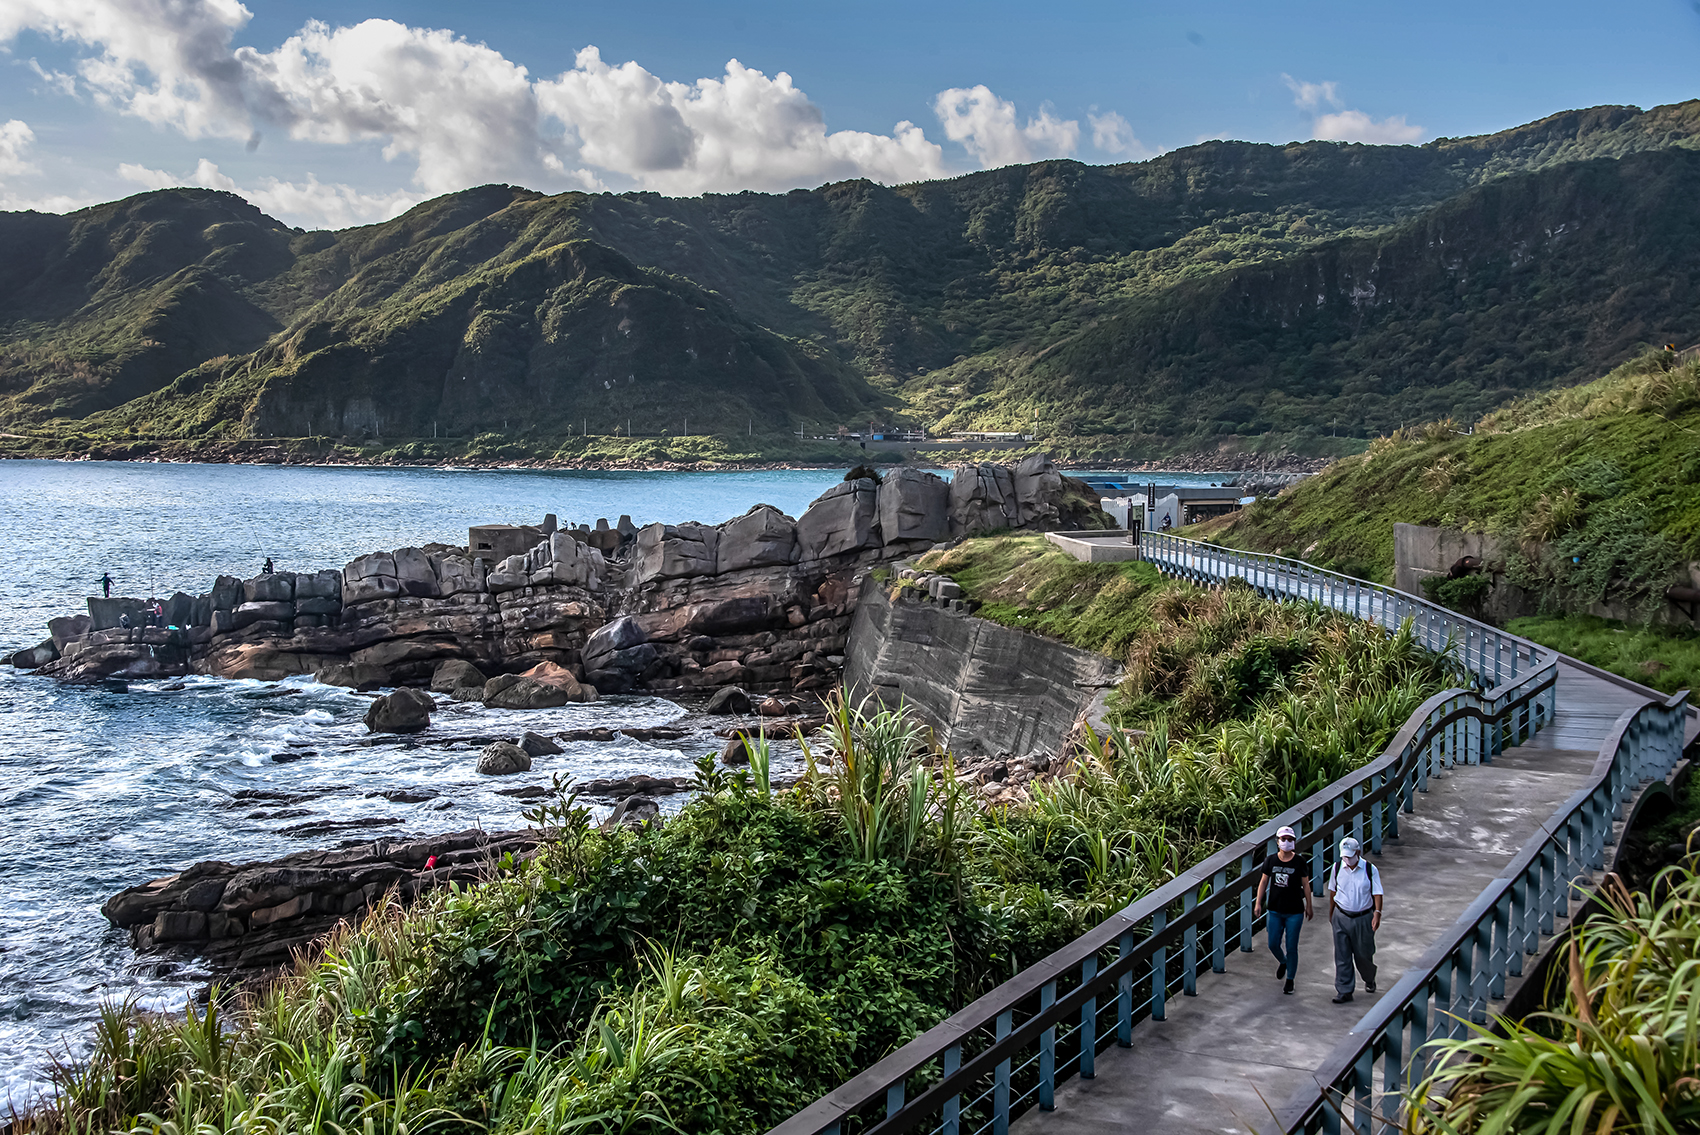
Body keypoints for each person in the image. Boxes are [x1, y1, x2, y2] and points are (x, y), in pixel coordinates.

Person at [1253, 825, 1313, 995]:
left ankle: (1290, 979)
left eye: (1290, 839)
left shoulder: (1299, 861)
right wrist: (1258, 903)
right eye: (1283, 839)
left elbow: (1306, 884)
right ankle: (1283, 961)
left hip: (1294, 911)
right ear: (1278, 841)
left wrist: (1309, 905)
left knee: (1292, 946)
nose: (1286, 842)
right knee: (1273, 943)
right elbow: (1263, 882)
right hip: (1275, 909)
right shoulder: (1271, 860)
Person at [1326, 836, 1383, 1003]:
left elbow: (1377, 893)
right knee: (1342, 954)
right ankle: (1344, 990)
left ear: (1358, 853)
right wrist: (1331, 913)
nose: (1347, 860)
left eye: (1350, 856)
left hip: (1363, 917)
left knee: (1363, 954)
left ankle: (1369, 977)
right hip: (1341, 915)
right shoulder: (1337, 868)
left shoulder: (1369, 869)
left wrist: (1377, 913)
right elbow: (1333, 892)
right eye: (1344, 856)